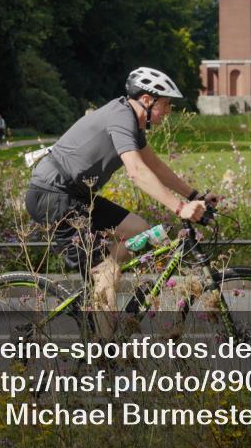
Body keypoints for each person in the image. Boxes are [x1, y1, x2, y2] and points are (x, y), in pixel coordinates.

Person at [24, 67, 220, 333]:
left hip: (77, 196)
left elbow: (155, 166)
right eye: (166, 105)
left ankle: (101, 292)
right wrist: (180, 207)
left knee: (141, 231)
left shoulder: (130, 122)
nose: (168, 112)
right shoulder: (120, 116)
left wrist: (194, 195)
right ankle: (104, 355)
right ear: (147, 100)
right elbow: (137, 172)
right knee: (106, 272)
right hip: (52, 196)